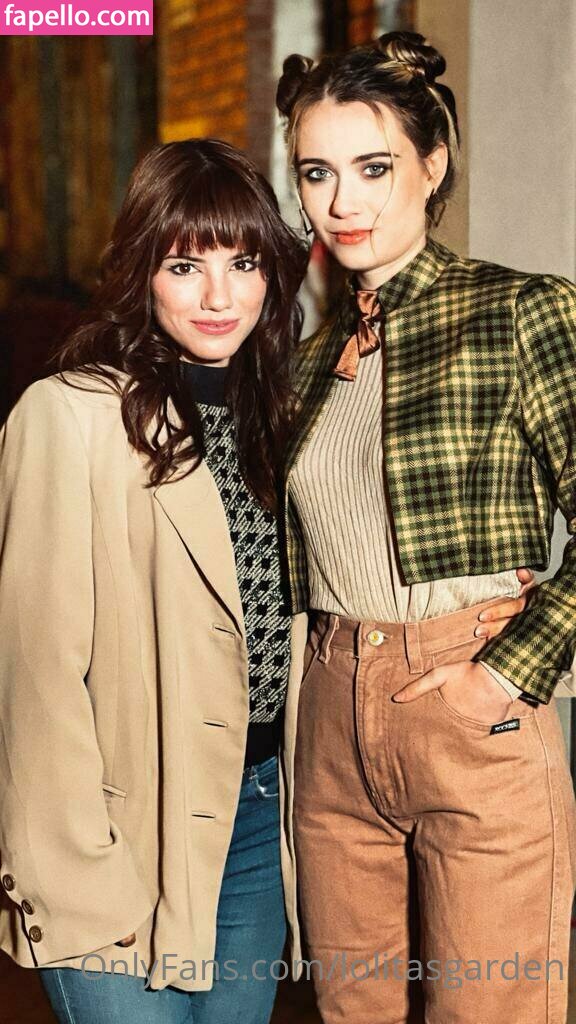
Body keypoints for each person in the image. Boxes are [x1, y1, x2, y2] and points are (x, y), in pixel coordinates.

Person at [275, 31, 576, 1024]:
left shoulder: (519, 313)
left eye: (373, 167)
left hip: (469, 703)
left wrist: (506, 671)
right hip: (330, 714)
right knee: (350, 1011)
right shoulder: (309, 362)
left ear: (432, 165)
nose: (342, 201)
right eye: (316, 172)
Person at [0, 138, 309, 1024]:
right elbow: (34, 675)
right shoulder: (70, 415)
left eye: (243, 264)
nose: (219, 296)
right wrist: (73, 869)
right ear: (143, 272)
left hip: (258, 824)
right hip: (123, 831)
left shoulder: (281, 418)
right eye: (185, 265)